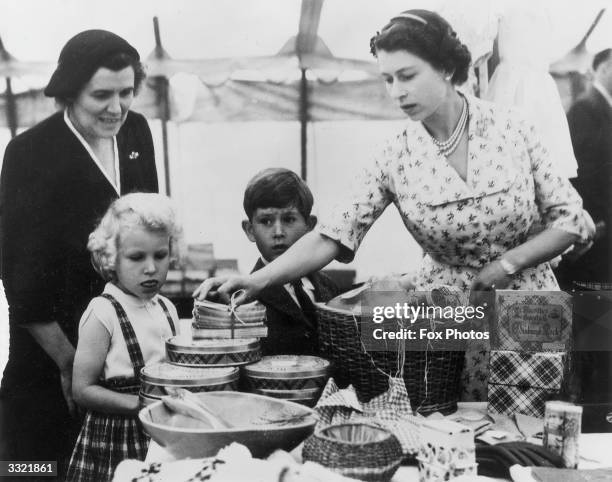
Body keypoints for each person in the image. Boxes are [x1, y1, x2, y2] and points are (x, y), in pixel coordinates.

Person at [195, 10, 592, 401]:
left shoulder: (513, 127)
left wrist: (508, 264)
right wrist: (258, 280)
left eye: (407, 76)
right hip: (443, 317)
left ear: (446, 69)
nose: (396, 91)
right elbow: (333, 234)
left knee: (526, 437)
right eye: (387, 79)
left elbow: (571, 218)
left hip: (527, 304)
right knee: (448, 430)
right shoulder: (395, 154)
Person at [0, 29, 158, 477]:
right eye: (101, 95)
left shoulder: (137, 134)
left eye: (126, 92)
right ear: (70, 92)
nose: (117, 108)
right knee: (33, 470)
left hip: (121, 351)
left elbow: (148, 229)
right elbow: (19, 273)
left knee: (116, 471)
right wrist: (71, 363)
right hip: (51, 351)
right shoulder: (31, 152)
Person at [66, 193, 181, 481]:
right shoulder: (103, 313)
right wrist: (138, 405)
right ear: (111, 258)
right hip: (117, 439)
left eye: (160, 255)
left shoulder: (166, 308)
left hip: (164, 431)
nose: (151, 268)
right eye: (136, 257)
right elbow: (82, 390)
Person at [239, 168, 338, 355]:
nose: (278, 232)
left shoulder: (329, 287)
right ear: (250, 230)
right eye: (266, 221)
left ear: (310, 226)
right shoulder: (244, 299)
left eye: (289, 219)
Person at [556, 48, 612, 286]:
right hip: (596, 224)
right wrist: (599, 221)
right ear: (604, 68)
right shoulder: (585, 108)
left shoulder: (603, 107)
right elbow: (583, 173)